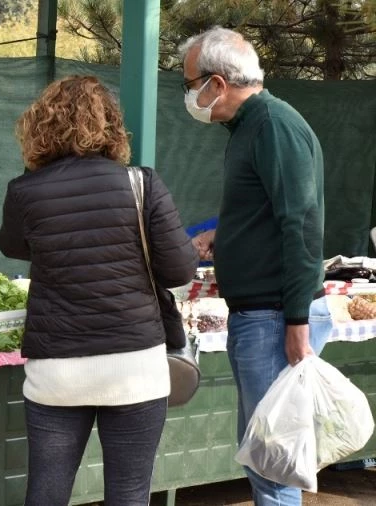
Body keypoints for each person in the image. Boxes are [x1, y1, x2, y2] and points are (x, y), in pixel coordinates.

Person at [0, 75, 198, 506]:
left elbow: (12, 246)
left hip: (56, 371)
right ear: (111, 126)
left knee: (46, 494)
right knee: (128, 494)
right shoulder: (141, 184)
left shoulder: (24, 191)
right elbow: (180, 269)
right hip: (134, 367)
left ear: (39, 126)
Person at [179, 27, 333, 505]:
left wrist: (297, 321)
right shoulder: (250, 127)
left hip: (274, 317)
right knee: (265, 453)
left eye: (191, 84)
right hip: (263, 315)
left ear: (218, 84)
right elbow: (270, 209)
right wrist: (223, 234)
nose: (189, 95)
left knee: (272, 460)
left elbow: (302, 224)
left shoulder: (272, 125)